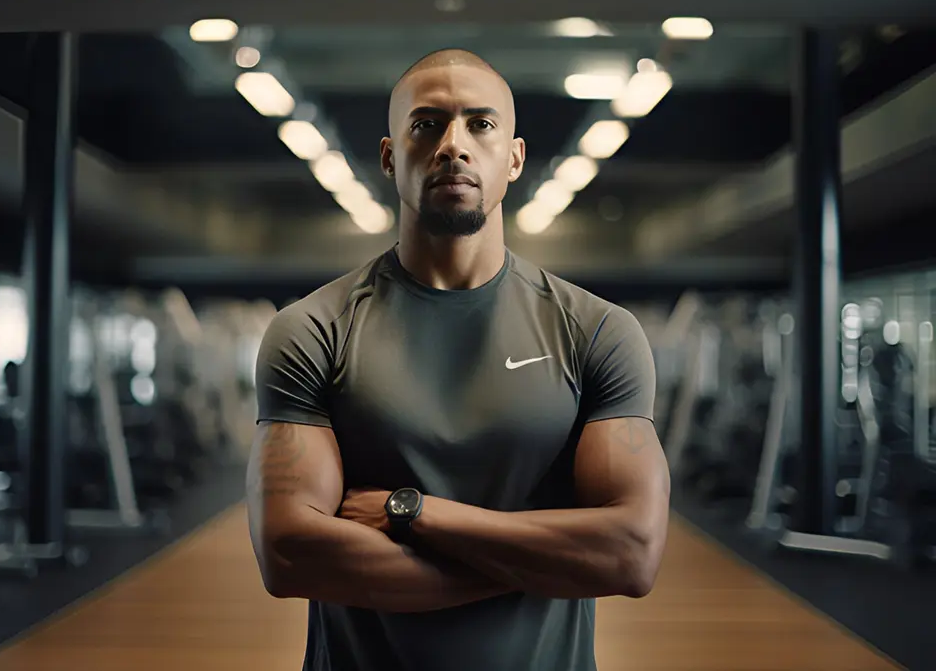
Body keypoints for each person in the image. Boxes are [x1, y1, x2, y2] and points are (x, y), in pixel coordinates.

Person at [247, 48, 671, 671]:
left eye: (481, 123)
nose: (453, 145)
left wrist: (414, 513)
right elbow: (289, 557)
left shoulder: (596, 331)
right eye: (426, 124)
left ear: (515, 158)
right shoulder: (313, 331)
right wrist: (549, 560)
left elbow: (631, 554)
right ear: (391, 157)